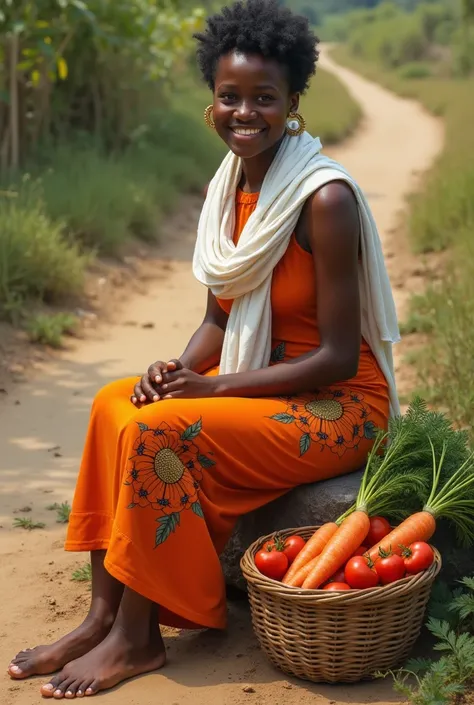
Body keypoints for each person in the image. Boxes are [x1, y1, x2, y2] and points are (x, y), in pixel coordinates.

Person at [8, 0, 400, 697]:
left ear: (295, 102)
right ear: (211, 99)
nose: (243, 112)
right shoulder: (232, 184)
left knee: (166, 428)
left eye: (263, 98)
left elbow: (340, 356)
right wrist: (179, 368)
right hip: (267, 383)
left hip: (339, 405)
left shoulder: (323, 199)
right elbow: (220, 318)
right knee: (116, 402)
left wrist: (210, 390)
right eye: (228, 96)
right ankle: (100, 614)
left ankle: (139, 635)